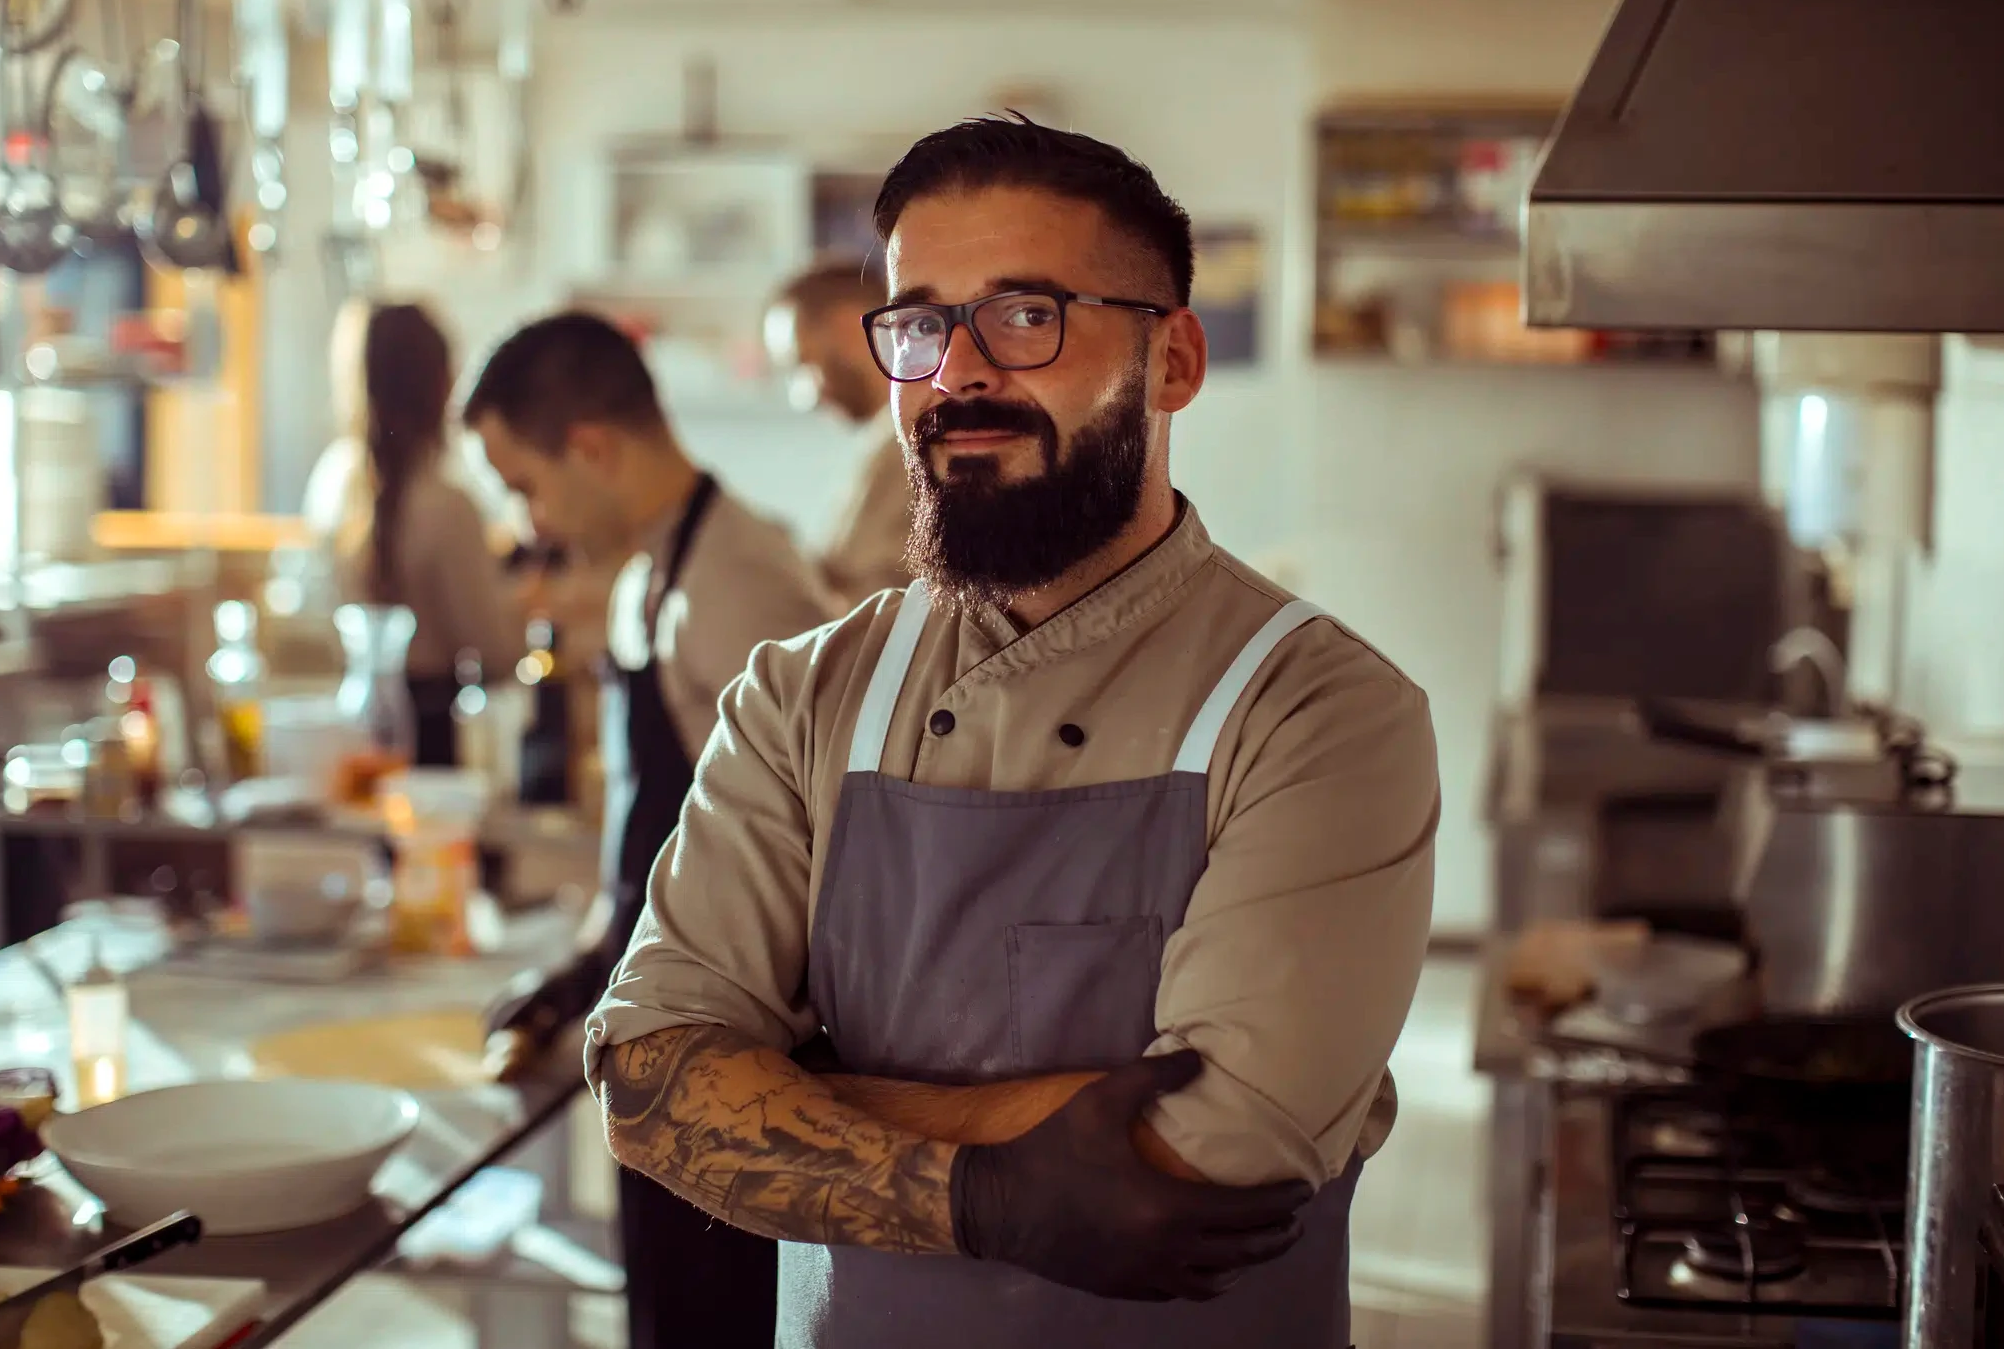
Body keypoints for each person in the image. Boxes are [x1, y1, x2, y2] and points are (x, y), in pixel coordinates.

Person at [583, 115, 1440, 1348]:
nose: (959, 372)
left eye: (1026, 314)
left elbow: (1223, 1143)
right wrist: (988, 1191)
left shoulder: (1320, 710)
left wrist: (796, 1094)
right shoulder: (800, 696)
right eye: (920, 325)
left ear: (1173, 360)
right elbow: (650, 1085)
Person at [464, 310, 836, 1349]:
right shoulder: (645, 577)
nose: (529, 519)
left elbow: (816, 844)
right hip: (666, 1025)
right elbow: (657, 831)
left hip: (739, 1048)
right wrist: (594, 956)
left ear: (590, 447)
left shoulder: (738, 579)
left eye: (524, 484)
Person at [315, 299, 522, 765]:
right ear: (438, 385)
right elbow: (497, 651)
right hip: (431, 736)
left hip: (353, 719)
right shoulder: (448, 506)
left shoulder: (332, 485)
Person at [764, 261, 914, 604]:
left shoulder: (908, 447)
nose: (804, 397)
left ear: (847, 329)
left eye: (803, 363)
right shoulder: (885, 444)